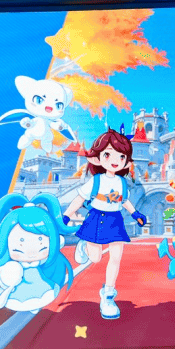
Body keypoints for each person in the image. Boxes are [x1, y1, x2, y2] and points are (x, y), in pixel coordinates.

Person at [62, 127, 147, 319]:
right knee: (95, 258)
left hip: (114, 220)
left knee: (116, 257)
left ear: (126, 161)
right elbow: (79, 198)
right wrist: (67, 215)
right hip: (96, 218)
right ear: (97, 158)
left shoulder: (122, 183)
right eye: (108, 154)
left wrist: (135, 214)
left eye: (121, 156)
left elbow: (124, 201)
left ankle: (108, 294)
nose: (116, 160)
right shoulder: (96, 181)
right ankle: (84, 246)